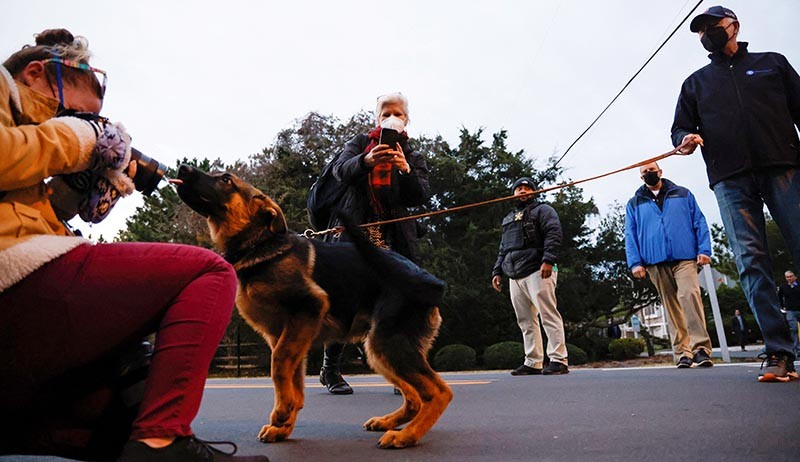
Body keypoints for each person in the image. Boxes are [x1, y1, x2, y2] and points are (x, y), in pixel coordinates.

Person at [0, 29, 268, 461]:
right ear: (34, 74)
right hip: (14, 276)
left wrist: (81, 185)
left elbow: (25, 204)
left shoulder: (27, 129)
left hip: (21, 286)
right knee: (209, 272)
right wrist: (84, 138)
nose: (84, 123)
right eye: (79, 114)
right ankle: (163, 440)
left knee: (116, 425)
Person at [671, 5, 800, 382]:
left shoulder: (772, 63)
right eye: (701, 31)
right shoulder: (695, 84)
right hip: (729, 179)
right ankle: (779, 352)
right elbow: (679, 128)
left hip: (784, 168)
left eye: (713, 26)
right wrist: (685, 139)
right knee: (750, 261)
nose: (707, 34)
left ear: (734, 26)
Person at [319, 92, 431, 394]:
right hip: (354, 234)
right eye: (385, 114)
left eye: (398, 113)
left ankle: (399, 370)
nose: (391, 118)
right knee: (345, 301)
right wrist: (366, 161)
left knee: (396, 303)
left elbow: (420, 195)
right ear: (377, 118)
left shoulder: (413, 155)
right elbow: (340, 171)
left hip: (394, 237)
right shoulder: (358, 144)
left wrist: (405, 169)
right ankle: (331, 369)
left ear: (407, 119)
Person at [624, 162, 714, 369]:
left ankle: (700, 348)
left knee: (689, 295)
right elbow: (630, 234)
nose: (649, 173)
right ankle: (682, 352)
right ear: (641, 177)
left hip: (685, 256)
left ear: (660, 171)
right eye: (645, 172)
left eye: (652, 170)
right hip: (655, 261)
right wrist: (635, 263)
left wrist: (704, 249)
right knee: (671, 306)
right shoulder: (634, 203)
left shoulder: (683, 194)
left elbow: (699, 221)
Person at [492, 177, 569, 376]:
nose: (523, 191)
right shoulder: (508, 218)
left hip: (538, 268)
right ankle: (533, 361)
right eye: (519, 188)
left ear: (534, 192)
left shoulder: (544, 210)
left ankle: (559, 359)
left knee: (548, 314)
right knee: (525, 319)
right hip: (514, 273)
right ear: (513, 193)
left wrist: (548, 260)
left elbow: (553, 233)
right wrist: (497, 271)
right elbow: (503, 247)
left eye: (527, 188)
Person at [777, 270, 800, 357]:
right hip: (790, 311)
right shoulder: (783, 287)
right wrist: (782, 307)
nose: (789, 278)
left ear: (794, 277)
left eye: (791, 276)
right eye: (787, 277)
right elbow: (779, 298)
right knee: (794, 329)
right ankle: (797, 349)